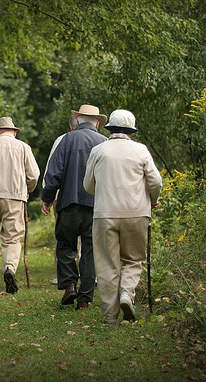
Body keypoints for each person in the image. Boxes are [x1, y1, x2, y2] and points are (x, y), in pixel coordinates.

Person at [83, 109, 162, 324]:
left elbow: (88, 185)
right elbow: (155, 181)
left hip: (104, 214)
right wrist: (153, 199)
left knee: (108, 263)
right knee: (133, 259)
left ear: (109, 127)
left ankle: (110, 316)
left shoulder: (98, 151)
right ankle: (127, 294)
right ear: (131, 130)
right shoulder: (141, 150)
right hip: (136, 212)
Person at [41, 104, 107, 310]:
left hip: (68, 203)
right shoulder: (104, 142)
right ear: (97, 123)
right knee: (90, 250)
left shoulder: (66, 140)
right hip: (95, 206)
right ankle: (85, 298)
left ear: (77, 121)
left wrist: (47, 197)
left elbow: (54, 174)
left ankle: (70, 285)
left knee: (65, 246)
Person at [0, 117, 40, 293]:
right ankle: (9, 268)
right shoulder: (24, 147)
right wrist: (26, 191)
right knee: (12, 238)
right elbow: (34, 175)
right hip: (15, 198)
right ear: (14, 132)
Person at [42, 116, 77, 285]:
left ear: (71, 126)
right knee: (90, 239)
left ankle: (64, 275)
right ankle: (89, 276)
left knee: (63, 238)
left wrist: (48, 197)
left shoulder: (62, 140)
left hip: (63, 198)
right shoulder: (101, 140)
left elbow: (52, 168)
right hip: (92, 199)